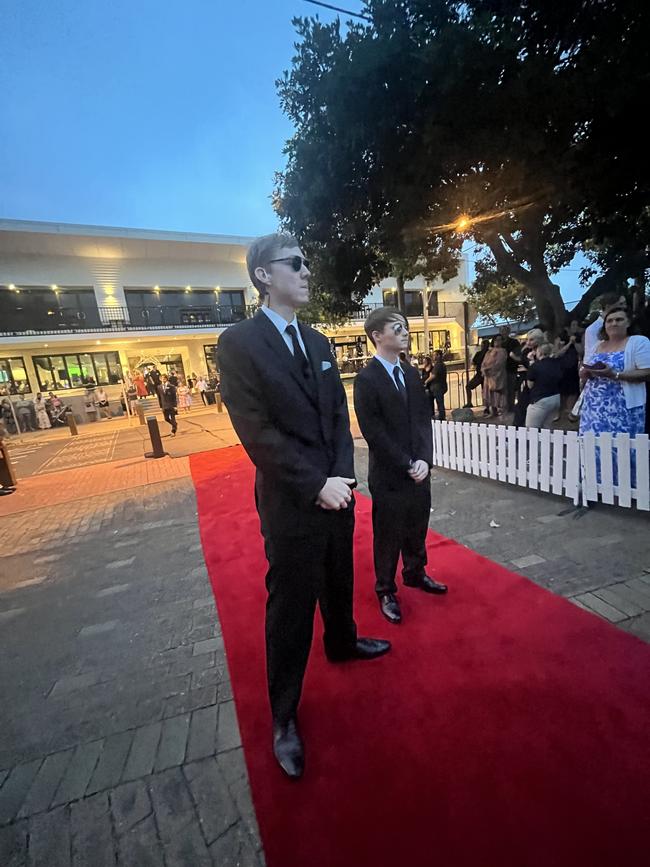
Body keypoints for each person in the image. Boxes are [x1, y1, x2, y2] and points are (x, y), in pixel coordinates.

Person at [218, 232, 390, 779]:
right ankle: (284, 716)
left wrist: (341, 474)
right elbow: (256, 431)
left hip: (335, 488)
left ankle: (342, 642)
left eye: (306, 262)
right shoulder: (238, 343)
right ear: (263, 275)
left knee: (339, 578)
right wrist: (316, 483)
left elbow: (338, 416)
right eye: (295, 263)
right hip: (292, 498)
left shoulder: (318, 342)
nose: (306, 271)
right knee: (291, 606)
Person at [354, 308, 447, 626]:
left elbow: (423, 420)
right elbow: (373, 431)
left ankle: (416, 572)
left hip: (418, 469)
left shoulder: (409, 373)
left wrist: (424, 459)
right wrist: (406, 462)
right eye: (398, 328)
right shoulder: (366, 380)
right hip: (389, 474)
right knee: (388, 533)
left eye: (406, 326)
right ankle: (385, 589)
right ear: (377, 336)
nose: (405, 332)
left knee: (417, 525)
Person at [579, 306, 650, 440]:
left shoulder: (638, 342)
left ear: (628, 323)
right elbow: (586, 368)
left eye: (619, 319)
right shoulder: (598, 345)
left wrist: (615, 375)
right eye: (609, 321)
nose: (614, 323)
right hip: (593, 407)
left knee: (622, 451)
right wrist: (585, 373)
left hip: (623, 409)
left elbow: (647, 372)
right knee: (591, 448)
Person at [524, 344, 563, 429]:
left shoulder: (535, 366)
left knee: (531, 429)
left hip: (540, 399)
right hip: (555, 398)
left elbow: (530, 385)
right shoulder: (557, 363)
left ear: (540, 352)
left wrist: (531, 362)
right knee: (547, 427)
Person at [583, 293, 626, 363]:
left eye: (624, 303)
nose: (624, 306)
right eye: (620, 304)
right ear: (608, 307)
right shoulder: (593, 329)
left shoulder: (625, 323)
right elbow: (589, 358)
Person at [481, 336, 508, 417]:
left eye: (499, 340)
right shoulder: (489, 351)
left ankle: (501, 411)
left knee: (498, 393)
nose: (497, 341)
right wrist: (483, 369)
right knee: (490, 394)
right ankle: (493, 411)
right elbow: (484, 362)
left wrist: (488, 369)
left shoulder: (502, 351)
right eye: (496, 339)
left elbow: (499, 363)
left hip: (497, 375)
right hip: (488, 376)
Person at [499, 325, 521, 411]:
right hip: (500, 371)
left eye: (505, 331)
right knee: (502, 390)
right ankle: (504, 406)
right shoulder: (498, 342)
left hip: (510, 369)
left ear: (508, 332)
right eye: (502, 331)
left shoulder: (514, 342)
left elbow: (518, 352)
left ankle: (511, 406)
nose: (503, 332)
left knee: (511, 388)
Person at [464, 339, 490, 409]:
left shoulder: (481, 353)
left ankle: (470, 403)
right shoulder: (488, 353)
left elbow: (473, 362)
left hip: (481, 374)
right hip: (484, 374)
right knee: (485, 391)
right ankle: (487, 407)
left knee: (469, 387)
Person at [429, 349, 448, 420]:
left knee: (440, 402)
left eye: (434, 355)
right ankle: (439, 415)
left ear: (438, 356)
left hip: (438, 386)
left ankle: (442, 417)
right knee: (438, 401)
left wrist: (425, 382)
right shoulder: (438, 364)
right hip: (438, 386)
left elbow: (433, 375)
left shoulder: (439, 365)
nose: (433, 357)